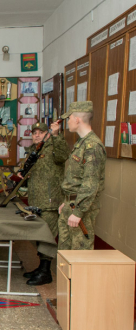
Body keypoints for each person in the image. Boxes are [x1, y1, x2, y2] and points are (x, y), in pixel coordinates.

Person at [21, 122, 69, 286]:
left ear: (47, 134)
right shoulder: (34, 150)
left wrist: (56, 135)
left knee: (48, 237)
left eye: (41, 132)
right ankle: (41, 267)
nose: (37, 135)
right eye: (34, 132)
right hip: (35, 201)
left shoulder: (53, 148)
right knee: (39, 236)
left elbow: (63, 155)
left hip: (50, 201)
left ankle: (45, 271)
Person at [58, 101, 106, 251]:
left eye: (69, 118)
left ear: (77, 119)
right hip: (71, 204)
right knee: (64, 253)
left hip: (80, 209)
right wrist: (66, 201)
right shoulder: (81, 143)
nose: (68, 122)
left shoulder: (92, 146)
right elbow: (75, 178)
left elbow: (90, 183)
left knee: (79, 253)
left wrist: (78, 211)